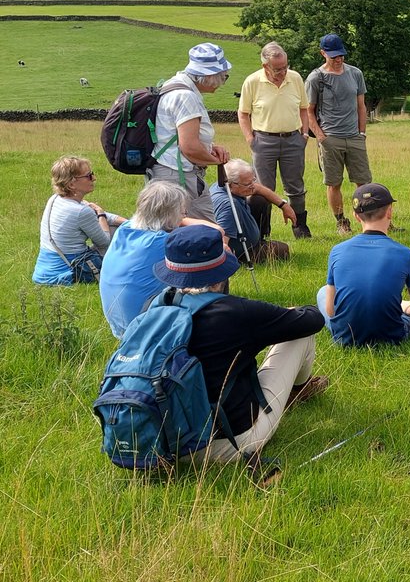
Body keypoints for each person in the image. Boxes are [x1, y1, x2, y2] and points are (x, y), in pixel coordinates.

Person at [152, 225, 328, 465]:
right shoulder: (236, 313)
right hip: (230, 444)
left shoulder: (155, 307)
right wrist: (286, 314)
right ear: (222, 271)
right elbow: (313, 320)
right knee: (300, 335)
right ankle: (299, 391)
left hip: (159, 443)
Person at [319, 183, 410, 346]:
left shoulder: (337, 251)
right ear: (389, 212)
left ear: (356, 216)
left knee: (323, 292)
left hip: (344, 337)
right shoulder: (406, 254)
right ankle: (399, 307)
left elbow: (331, 311)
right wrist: (405, 307)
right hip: (392, 335)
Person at [100, 181, 221, 338]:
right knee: (213, 265)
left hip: (119, 326)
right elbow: (216, 231)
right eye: (183, 212)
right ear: (170, 214)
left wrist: (179, 218)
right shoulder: (164, 242)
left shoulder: (125, 229)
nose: (184, 216)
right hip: (145, 330)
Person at [237, 41, 314, 239]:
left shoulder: (295, 78)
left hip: (293, 140)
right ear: (265, 66)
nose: (283, 72)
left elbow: (304, 108)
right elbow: (243, 113)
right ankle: (262, 231)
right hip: (263, 141)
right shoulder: (252, 81)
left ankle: (300, 227)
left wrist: (304, 134)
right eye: (278, 69)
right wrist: (250, 139)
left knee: (296, 186)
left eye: (285, 66)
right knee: (262, 188)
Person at [148, 43, 233, 220]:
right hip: (178, 175)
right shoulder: (186, 97)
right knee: (202, 232)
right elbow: (190, 148)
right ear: (209, 76)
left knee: (174, 228)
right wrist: (216, 161)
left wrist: (209, 148)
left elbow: (176, 136)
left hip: (167, 170)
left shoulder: (173, 86)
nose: (223, 82)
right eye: (223, 77)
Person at [305, 33, 370, 236]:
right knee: (334, 183)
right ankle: (341, 222)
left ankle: (371, 219)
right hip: (330, 137)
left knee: (364, 182)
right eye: (333, 56)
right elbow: (308, 110)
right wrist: (321, 137)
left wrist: (361, 132)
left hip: (354, 136)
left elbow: (361, 105)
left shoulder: (355, 73)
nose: (338, 59)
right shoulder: (316, 78)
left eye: (341, 54)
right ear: (323, 53)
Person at [33, 155, 127, 285]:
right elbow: (104, 243)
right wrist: (101, 216)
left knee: (118, 227)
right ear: (71, 184)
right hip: (70, 270)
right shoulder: (80, 211)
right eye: (88, 176)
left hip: (46, 270)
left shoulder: (56, 199)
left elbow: (99, 213)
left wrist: (131, 223)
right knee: (120, 234)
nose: (94, 178)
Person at [211, 159, 295, 265]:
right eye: (247, 184)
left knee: (259, 199)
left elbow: (258, 188)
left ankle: (261, 239)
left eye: (253, 181)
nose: (253, 186)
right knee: (283, 250)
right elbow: (223, 240)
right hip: (242, 252)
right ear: (232, 185)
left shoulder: (222, 184)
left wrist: (283, 205)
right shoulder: (228, 207)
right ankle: (243, 259)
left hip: (247, 240)